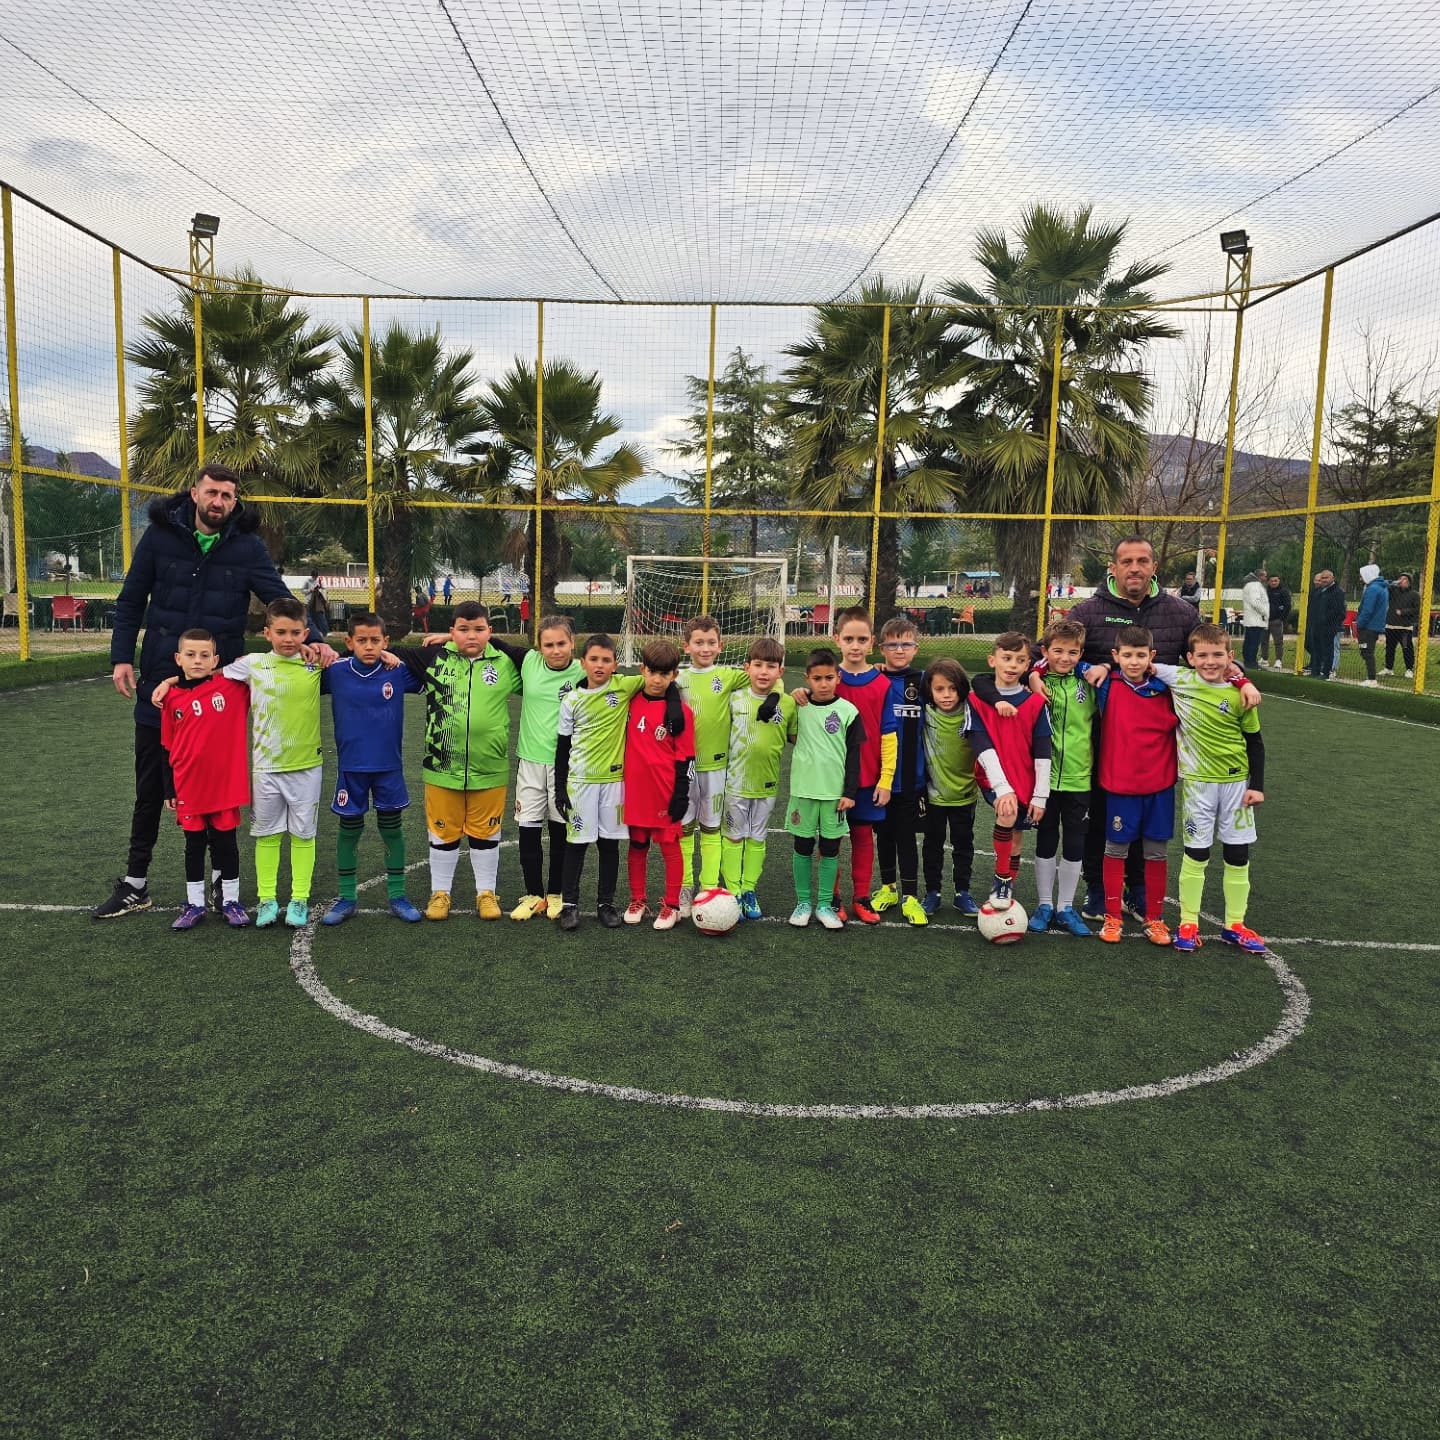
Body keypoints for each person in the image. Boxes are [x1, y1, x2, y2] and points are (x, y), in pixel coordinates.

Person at [97, 463, 331, 920]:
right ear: (195, 493)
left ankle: (226, 888)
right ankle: (135, 883)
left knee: (220, 791)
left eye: (227, 495)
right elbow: (131, 599)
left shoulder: (246, 546)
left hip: (218, 694)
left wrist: (317, 640)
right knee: (151, 787)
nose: (219, 502)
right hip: (161, 681)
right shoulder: (160, 537)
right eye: (212, 493)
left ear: (234, 501)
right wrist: (121, 657)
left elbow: (279, 598)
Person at [154, 596, 326, 927]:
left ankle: (299, 900)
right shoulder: (252, 664)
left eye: (295, 633)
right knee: (267, 835)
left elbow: (360, 659)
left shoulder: (316, 661)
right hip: (265, 768)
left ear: (306, 633)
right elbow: (205, 676)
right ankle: (267, 900)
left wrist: (323, 648)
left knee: (303, 835)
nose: (288, 639)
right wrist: (170, 681)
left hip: (306, 767)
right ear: (267, 633)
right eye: (281, 632)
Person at [1067, 536, 1212, 923]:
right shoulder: (1087, 611)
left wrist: (1238, 675)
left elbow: (1207, 655)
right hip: (1101, 739)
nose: (1135, 568)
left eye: (1142, 561)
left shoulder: (1180, 613)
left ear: (1153, 567)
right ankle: (1098, 888)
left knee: (1147, 820)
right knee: (1101, 817)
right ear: (1113, 568)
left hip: (1156, 744)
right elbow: (1051, 652)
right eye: (1127, 561)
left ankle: (1139, 888)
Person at [390, 602, 521, 922]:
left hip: (489, 768)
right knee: (442, 834)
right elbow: (387, 651)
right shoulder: (434, 658)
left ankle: (486, 893)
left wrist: (485, 641)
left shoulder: (505, 663)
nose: (471, 636)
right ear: (451, 631)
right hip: (442, 767)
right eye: (463, 630)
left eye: (479, 629)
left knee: (486, 835)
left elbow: (538, 661)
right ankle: (440, 893)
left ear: (490, 631)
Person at [1151, 623, 1267, 953]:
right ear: (1190, 658)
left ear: (1230, 657)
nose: (1210, 661)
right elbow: (1141, 663)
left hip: (1236, 785)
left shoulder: (1240, 695)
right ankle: (1188, 922)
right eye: (1202, 655)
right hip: (1198, 785)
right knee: (1197, 852)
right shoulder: (1180, 678)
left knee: (1237, 853)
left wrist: (1257, 786)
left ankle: (1235, 924)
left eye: (1217, 655)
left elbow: (1255, 743)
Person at [554, 634, 682, 931]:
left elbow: (664, 676)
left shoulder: (624, 686)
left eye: (606, 660)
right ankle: (569, 905)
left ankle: (606, 904)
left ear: (615, 665)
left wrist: (674, 705)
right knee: (576, 845)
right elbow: (562, 746)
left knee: (609, 845)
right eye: (594, 659)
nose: (599, 665)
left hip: (614, 782)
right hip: (581, 782)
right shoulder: (571, 700)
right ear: (583, 662)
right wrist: (560, 787)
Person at [318, 612, 424, 926]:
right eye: (361, 640)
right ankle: (347, 897)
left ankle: (397, 895)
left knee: (392, 829)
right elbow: (297, 664)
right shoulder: (335, 672)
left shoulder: (397, 671)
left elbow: (429, 666)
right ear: (348, 642)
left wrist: (399, 656)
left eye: (375, 640)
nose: (368, 646)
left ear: (385, 642)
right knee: (349, 831)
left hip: (388, 767)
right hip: (351, 767)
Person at [158, 629, 251, 930]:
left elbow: (262, 665)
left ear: (215, 660)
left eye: (204, 655)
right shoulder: (170, 698)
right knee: (194, 846)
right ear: (178, 658)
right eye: (190, 654)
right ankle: (194, 904)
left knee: (227, 845)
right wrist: (169, 789)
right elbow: (167, 747)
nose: (197, 660)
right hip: (189, 785)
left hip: (224, 785)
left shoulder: (232, 688)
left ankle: (231, 901)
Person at [1091, 627, 1178, 946]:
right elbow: (1065, 663)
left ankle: (1155, 918)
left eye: (1140, 655)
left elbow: (1212, 673)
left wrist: (1240, 677)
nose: (1133, 661)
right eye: (1126, 655)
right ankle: (1113, 915)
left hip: (1160, 784)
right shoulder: (1107, 684)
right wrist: (1102, 666)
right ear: (1116, 656)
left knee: (1155, 852)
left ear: (1151, 656)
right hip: (1120, 784)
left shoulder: (1168, 686)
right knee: (1116, 848)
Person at [963, 632, 1052, 912]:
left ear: (1028, 665)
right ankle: (1002, 880)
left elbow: (1043, 752)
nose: (1012, 665)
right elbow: (981, 745)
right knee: (1008, 812)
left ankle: (1008, 880)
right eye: (1007, 658)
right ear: (993, 661)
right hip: (992, 775)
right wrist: (1002, 789)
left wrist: (1040, 795)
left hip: (1025, 777)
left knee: (1017, 834)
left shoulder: (1036, 703)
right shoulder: (976, 700)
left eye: (1020, 660)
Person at [503, 616, 584, 922]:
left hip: (567, 765)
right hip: (530, 761)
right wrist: (448, 640)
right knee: (528, 828)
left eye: (561, 643)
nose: (555, 650)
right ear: (538, 646)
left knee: (559, 829)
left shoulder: (583, 671)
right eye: (548, 644)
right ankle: (533, 895)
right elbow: (490, 642)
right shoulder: (529, 662)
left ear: (572, 642)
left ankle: (556, 893)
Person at [1023, 618, 1097, 937]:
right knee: (1046, 839)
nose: (1065, 658)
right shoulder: (1036, 682)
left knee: (1075, 842)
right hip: (1045, 780)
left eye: (1072, 652)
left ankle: (1066, 907)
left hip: (1080, 777)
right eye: (1058, 651)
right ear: (1045, 651)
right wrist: (1033, 675)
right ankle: (1044, 905)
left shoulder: (1088, 683)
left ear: (1081, 653)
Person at [675, 616, 754, 911]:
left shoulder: (728, 675)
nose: (705, 648)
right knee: (684, 827)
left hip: (716, 768)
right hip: (683, 767)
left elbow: (769, 677)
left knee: (710, 827)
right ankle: (684, 885)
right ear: (686, 646)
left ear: (721, 645)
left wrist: (791, 691)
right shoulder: (678, 679)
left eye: (711, 642)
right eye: (699, 642)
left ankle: (708, 886)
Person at [827, 606, 898, 924]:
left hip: (869, 778)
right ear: (836, 639)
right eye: (848, 639)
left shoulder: (882, 684)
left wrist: (886, 779)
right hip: (831, 779)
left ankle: (861, 897)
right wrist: (801, 693)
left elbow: (889, 735)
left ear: (872, 642)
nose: (855, 646)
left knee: (862, 835)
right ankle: (831, 896)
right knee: (830, 838)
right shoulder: (829, 681)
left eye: (861, 639)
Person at [786, 648, 864, 930]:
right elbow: (784, 729)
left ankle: (824, 905)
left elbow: (854, 756)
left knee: (830, 849)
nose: (823, 684)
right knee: (803, 847)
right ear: (807, 678)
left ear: (838, 678)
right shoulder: (798, 706)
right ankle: (803, 903)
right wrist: (794, 695)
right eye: (816, 678)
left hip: (834, 794)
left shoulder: (848, 712)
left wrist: (850, 793)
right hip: (803, 791)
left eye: (829, 678)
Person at [720, 637, 796, 919]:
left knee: (757, 838)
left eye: (771, 666)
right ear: (747, 667)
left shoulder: (788, 704)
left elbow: (795, 738)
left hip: (767, 785)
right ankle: (733, 891)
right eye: (758, 665)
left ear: (780, 672)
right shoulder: (735, 699)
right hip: (735, 783)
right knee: (733, 838)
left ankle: (749, 889)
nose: (764, 672)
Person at [621, 640, 694, 931]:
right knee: (637, 845)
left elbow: (687, 756)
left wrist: (682, 793)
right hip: (635, 792)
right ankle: (637, 899)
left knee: (669, 847)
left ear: (674, 675)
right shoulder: (629, 701)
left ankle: (672, 904)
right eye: (652, 672)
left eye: (664, 674)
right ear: (642, 669)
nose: (657, 679)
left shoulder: (681, 713)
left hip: (665, 791)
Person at [870, 616, 930, 927]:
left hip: (911, 779)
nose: (899, 649)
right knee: (884, 835)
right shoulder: (876, 680)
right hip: (880, 780)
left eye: (906, 644)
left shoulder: (923, 682)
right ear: (881, 649)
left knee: (906, 837)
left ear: (915, 648)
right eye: (892, 644)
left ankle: (911, 896)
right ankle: (888, 888)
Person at [919, 658, 979, 917]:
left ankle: (962, 893)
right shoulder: (924, 710)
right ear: (930, 690)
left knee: (963, 844)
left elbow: (986, 686)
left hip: (964, 794)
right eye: (940, 689)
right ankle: (932, 892)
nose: (946, 695)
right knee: (932, 844)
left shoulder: (971, 711)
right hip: (933, 795)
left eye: (953, 688)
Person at [1304, 570, 1346, 679]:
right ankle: (1315, 671)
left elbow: (1339, 611)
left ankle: (1326, 672)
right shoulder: (1319, 591)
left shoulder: (1338, 592)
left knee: (1328, 650)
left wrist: (1329, 622)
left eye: (1326, 578)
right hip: (1316, 625)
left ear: (1332, 578)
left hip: (1329, 626)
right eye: (1322, 578)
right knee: (1316, 649)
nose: (1324, 580)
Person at [1354, 563, 1389, 685]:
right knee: (1366, 651)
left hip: (1368, 627)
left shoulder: (1372, 589)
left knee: (1366, 651)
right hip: (1374, 626)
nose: (1360, 579)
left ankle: (1372, 678)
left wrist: (1358, 624)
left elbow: (1367, 610)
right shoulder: (1381, 587)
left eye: (1362, 576)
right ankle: (1371, 677)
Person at [1380, 572, 1420, 678]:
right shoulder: (1393, 591)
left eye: (1405, 579)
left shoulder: (1414, 595)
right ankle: (1389, 668)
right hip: (1391, 626)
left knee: (1406, 648)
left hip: (1405, 628)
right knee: (1389, 648)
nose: (1402, 581)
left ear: (1409, 582)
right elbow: (1385, 586)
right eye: (1400, 578)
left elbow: (1417, 610)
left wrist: (1403, 612)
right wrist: (1394, 583)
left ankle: (1409, 669)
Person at [1240, 566, 1269, 669]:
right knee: (1254, 642)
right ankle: (1251, 662)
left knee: (1249, 641)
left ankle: (1248, 660)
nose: (1266, 578)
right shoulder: (1255, 585)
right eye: (1265, 576)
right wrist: (1264, 611)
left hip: (1251, 618)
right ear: (1260, 576)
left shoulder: (1249, 584)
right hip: (1256, 618)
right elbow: (1256, 602)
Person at [1263, 573, 1291, 668]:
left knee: (1278, 642)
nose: (1274, 583)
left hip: (1276, 621)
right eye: (1271, 581)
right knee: (1264, 641)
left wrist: (1281, 619)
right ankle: (1264, 659)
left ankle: (1278, 660)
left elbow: (1287, 606)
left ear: (1279, 581)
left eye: (1276, 581)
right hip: (1265, 620)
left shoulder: (1283, 591)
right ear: (1268, 582)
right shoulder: (1265, 591)